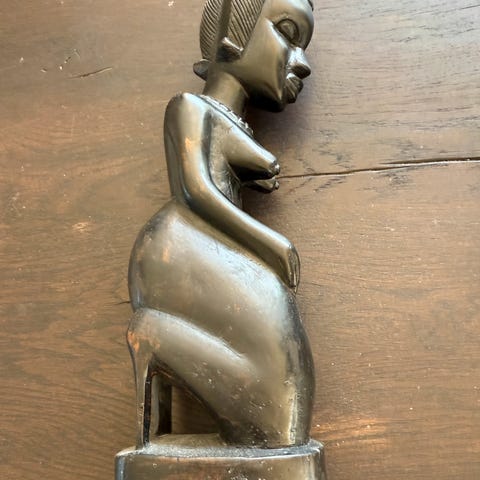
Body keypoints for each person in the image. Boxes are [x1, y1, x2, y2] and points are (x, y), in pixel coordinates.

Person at [127, 0, 315, 449]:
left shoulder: (227, 121)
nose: (302, 63)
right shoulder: (188, 107)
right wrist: (270, 243)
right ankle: (154, 334)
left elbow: (243, 162)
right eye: (288, 33)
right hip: (181, 245)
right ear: (235, 30)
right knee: (280, 376)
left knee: (286, 376)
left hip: (209, 245)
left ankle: (157, 336)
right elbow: (195, 192)